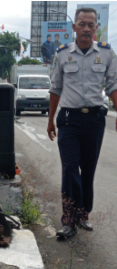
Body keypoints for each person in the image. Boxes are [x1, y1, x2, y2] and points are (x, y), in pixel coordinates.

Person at [47, 7, 117, 239]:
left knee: (88, 168)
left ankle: (84, 213)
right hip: (69, 119)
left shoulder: (107, 54)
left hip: (95, 119)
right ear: (74, 27)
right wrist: (50, 120)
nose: (86, 28)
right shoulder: (62, 53)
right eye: (82, 24)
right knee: (69, 168)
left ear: (96, 28)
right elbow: (55, 88)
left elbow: (113, 86)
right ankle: (69, 219)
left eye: (91, 25)